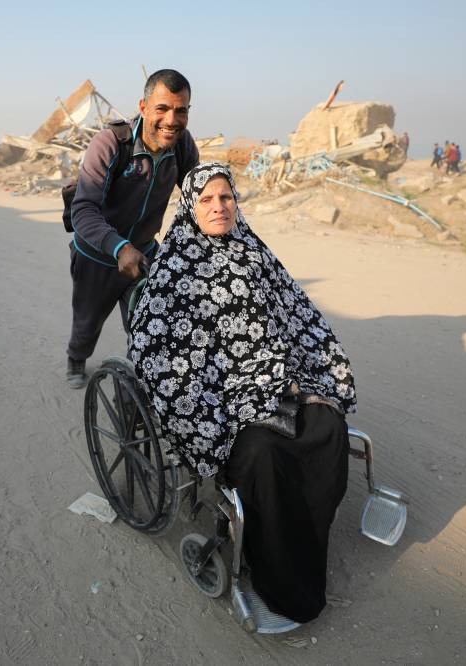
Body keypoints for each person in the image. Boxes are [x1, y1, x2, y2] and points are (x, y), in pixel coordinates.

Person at [129, 162, 357, 626]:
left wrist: (322, 373)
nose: (219, 207)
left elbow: (299, 315)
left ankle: (307, 539)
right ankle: (278, 579)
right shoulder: (174, 271)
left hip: (280, 385)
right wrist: (219, 409)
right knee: (264, 455)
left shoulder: (255, 252)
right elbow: (155, 351)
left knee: (329, 428)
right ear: (191, 209)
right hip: (221, 405)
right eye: (207, 200)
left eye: (226, 198)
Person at [64, 68, 199, 388]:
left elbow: (199, 197)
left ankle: (143, 386)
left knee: (148, 326)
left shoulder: (182, 146)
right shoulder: (111, 143)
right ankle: (76, 357)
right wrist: (118, 247)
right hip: (97, 255)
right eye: (162, 109)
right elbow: (83, 210)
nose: (171, 120)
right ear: (143, 107)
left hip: (143, 252)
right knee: (88, 321)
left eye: (181, 110)